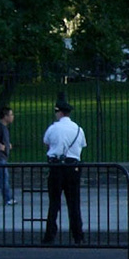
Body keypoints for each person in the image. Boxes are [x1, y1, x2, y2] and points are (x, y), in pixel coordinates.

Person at [41, 99, 86, 245]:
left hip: (56, 167)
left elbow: (46, 142)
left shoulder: (53, 128)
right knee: (74, 203)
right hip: (73, 167)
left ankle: (50, 235)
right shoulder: (78, 129)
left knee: (54, 202)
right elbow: (82, 145)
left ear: (59, 112)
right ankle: (78, 235)